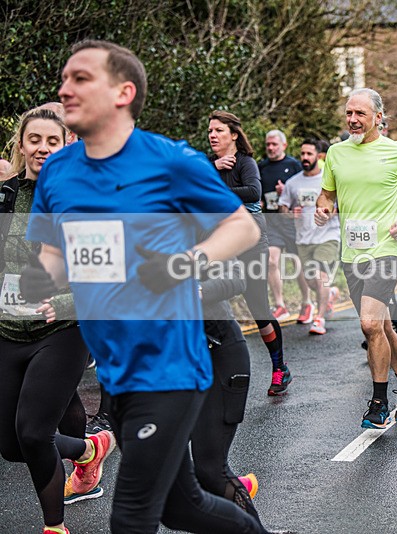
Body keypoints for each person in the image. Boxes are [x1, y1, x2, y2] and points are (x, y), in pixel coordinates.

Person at [21, 40, 270, 533]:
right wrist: (41, 275)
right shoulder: (58, 172)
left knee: (131, 519)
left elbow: (243, 227)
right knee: (183, 507)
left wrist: (182, 265)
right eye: (65, 78)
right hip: (117, 370)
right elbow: (52, 258)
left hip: (170, 367)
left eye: (80, 79)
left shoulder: (168, 161)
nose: (63, 89)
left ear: (123, 92)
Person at [0, 106, 115, 534]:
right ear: (21, 145)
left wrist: (66, 302)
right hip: (9, 328)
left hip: (65, 328)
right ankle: (88, 449)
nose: (42, 149)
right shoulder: (6, 195)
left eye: (52, 141)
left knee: (33, 433)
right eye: (34, 140)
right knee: (11, 445)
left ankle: (54, 527)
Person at [315, 88, 397, 429]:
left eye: (360, 114)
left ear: (379, 117)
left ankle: (379, 402)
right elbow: (326, 194)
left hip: (386, 250)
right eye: (349, 113)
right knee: (382, 326)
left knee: (368, 324)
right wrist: (322, 209)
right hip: (352, 252)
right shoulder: (335, 153)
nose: (352, 119)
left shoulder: (396, 152)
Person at [208, 111, 292, 396]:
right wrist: (213, 169)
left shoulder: (246, 162)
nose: (212, 135)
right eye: (210, 131)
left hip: (250, 240)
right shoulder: (206, 165)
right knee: (211, 300)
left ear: (233, 135)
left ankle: (280, 367)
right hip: (218, 240)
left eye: (219, 130)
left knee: (258, 308)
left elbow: (253, 191)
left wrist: (217, 184)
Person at [191, 253, 261, 518]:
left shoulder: (202, 233)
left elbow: (235, 278)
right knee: (167, 466)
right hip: (182, 368)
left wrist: (196, 291)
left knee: (210, 469)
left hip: (221, 356)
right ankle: (233, 491)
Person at [278, 139, 341, 335]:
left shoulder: (329, 179)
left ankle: (319, 318)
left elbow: (341, 207)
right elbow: (282, 207)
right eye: (302, 154)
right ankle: (330, 293)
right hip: (304, 239)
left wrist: (330, 212)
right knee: (311, 280)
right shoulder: (293, 182)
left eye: (309, 154)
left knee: (320, 276)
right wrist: (290, 213)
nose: (305, 158)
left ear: (318, 156)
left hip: (328, 236)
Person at [257, 129, 311, 322]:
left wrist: (286, 191)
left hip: (291, 222)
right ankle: (280, 305)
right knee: (271, 260)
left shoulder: (294, 165)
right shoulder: (261, 166)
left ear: (284, 146)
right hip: (271, 221)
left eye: (274, 144)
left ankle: (307, 303)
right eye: (268, 145)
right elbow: (259, 193)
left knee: (299, 264)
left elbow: (306, 191)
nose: (270, 148)